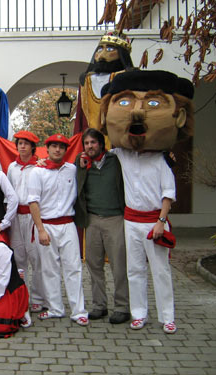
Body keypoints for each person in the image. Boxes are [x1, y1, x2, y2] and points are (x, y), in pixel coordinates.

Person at [100, 70, 195, 334]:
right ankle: (139, 313)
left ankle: (167, 316)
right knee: (135, 270)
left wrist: (161, 222)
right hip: (131, 221)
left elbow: (168, 195)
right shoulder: (123, 155)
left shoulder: (160, 161)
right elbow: (102, 145)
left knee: (161, 271)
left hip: (155, 221)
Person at [28, 134, 89, 326]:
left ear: (66, 150)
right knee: (49, 269)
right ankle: (55, 308)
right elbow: (33, 202)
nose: (57, 150)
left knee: (73, 267)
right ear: (47, 149)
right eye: (53, 146)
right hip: (47, 225)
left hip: (67, 224)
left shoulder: (72, 169)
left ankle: (78, 310)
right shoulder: (37, 172)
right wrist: (40, 230)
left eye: (61, 147)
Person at [74, 128, 130, 324]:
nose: (90, 146)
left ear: (101, 144)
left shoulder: (116, 161)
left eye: (93, 143)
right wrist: (81, 166)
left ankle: (122, 307)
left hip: (115, 218)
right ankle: (99, 305)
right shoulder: (81, 164)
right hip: (92, 220)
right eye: (86, 143)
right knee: (93, 264)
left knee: (118, 264)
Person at [73, 30, 134, 146]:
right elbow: (80, 117)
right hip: (89, 144)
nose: (101, 55)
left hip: (117, 141)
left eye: (110, 49)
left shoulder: (127, 78)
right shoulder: (86, 81)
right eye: (99, 49)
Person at [7, 130, 45, 314]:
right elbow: (9, 192)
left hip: (32, 216)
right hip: (16, 216)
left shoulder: (40, 167)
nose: (22, 146)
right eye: (20, 143)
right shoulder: (12, 167)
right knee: (18, 257)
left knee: (36, 257)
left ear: (32, 147)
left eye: (26, 143)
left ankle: (38, 297)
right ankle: (22, 295)